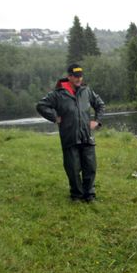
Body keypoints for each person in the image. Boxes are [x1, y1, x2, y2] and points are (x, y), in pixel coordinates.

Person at [36, 64, 105, 202]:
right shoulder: (58, 94)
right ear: (69, 77)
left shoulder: (87, 91)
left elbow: (100, 105)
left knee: (90, 166)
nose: (79, 78)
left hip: (87, 136)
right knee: (73, 169)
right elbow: (41, 105)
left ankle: (89, 195)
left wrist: (97, 121)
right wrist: (54, 117)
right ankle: (76, 195)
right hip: (69, 136)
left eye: (80, 76)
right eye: (76, 76)